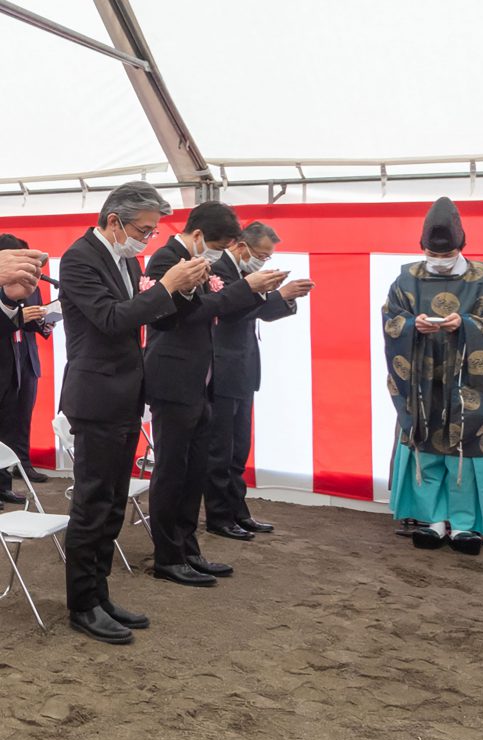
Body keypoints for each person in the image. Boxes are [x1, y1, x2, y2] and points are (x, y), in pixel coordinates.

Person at [59, 181, 208, 644]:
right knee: (93, 503)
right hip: (96, 396)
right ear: (113, 221)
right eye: (143, 229)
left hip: (125, 392)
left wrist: (181, 292)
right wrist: (166, 285)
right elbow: (110, 320)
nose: (148, 238)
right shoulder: (79, 257)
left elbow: (145, 317)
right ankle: (82, 603)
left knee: (112, 505)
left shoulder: (125, 258)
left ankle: (99, 593)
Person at [144, 202, 286, 586]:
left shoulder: (196, 262)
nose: (220, 255)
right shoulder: (165, 260)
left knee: (195, 473)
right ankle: (167, 556)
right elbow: (187, 315)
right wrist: (245, 288)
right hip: (173, 380)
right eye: (218, 246)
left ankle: (188, 550)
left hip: (204, 381)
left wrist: (252, 293)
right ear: (196, 236)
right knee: (172, 473)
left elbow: (214, 311)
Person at [383, 197, 483, 555]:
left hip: (469, 380)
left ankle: (464, 524)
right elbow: (392, 318)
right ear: (422, 247)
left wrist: (468, 325)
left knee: (466, 442)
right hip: (422, 376)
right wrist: (412, 326)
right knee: (425, 438)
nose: (439, 260)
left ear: (461, 247)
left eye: (447, 254)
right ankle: (432, 519)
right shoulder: (406, 278)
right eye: (433, 253)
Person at [203, 221, 314, 539]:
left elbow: (258, 312)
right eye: (262, 256)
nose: (264, 262)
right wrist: (275, 294)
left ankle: (238, 511)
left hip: (243, 367)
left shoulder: (243, 274)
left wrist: (282, 296)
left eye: (268, 258)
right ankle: (219, 516)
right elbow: (229, 312)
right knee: (220, 450)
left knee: (240, 448)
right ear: (240, 246)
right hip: (220, 367)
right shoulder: (217, 269)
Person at [0, 234, 54, 491]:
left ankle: (14, 473)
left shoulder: (31, 285)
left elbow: (38, 321)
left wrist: (46, 321)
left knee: (19, 418)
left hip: (25, 357)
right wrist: (16, 314)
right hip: (5, 358)